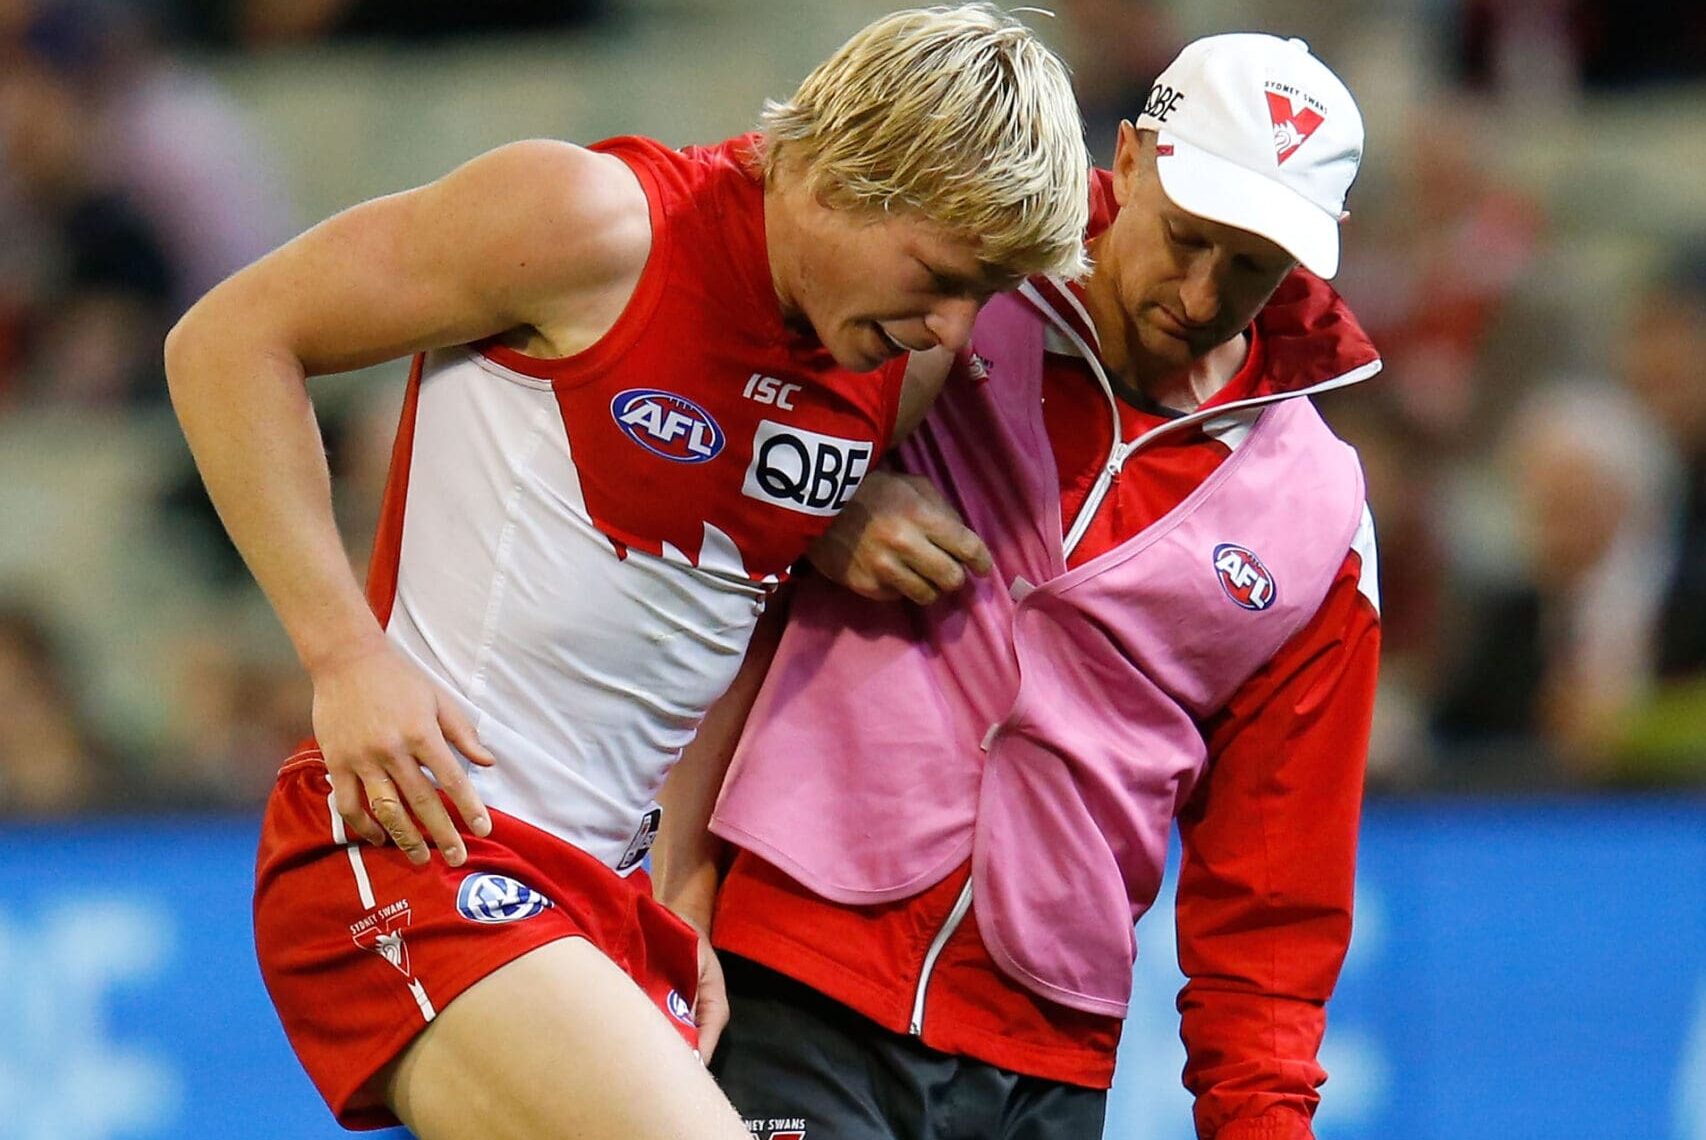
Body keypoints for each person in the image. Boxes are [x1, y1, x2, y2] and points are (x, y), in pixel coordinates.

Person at [162, 6, 1091, 1138]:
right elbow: (225, 340)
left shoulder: (896, 364)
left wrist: (683, 875)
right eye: (944, 272)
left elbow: (725, 609)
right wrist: (342, 652)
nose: (953, 321)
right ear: (852, 175)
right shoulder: (590, 224)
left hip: (606, 901)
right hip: (422, 842)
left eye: (984, 292)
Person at [656, 33, 1383, 1140]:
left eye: (1251, 267)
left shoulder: (1321, 516)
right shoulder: (951, 274)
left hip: (1048, 1053)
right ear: (1129, 157)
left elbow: (1272, 900)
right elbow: (678, 373)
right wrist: (823, 502)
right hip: (788, 969)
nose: (1199, 295)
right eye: (1187, 239)